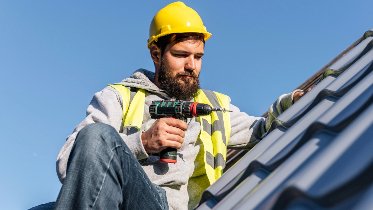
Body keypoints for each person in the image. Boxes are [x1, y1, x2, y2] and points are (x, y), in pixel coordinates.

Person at [54, 1, 304, 210]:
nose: (191, 66)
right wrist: (142, 142)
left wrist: (291, 101)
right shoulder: (119, 96)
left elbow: (261, 128)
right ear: (156, 54)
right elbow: (68, 162)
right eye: (181, 55)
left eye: (198, 57)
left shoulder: (212, 107)